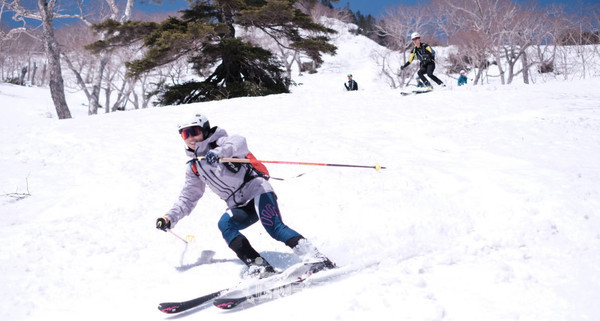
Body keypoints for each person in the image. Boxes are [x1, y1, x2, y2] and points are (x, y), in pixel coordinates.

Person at [156, 114, 335, 278]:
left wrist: (218, 153)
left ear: (204, 130)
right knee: (225, 224)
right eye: (185, 135)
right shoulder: (195, 167)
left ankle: (316, 257)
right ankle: (260, 266)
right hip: (239, 205)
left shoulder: (221, 142)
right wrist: (169, 218)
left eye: (194, 132)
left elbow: (239, 142)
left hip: (257, 190)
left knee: (273, 226)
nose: (191, 138)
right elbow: (188, 198)